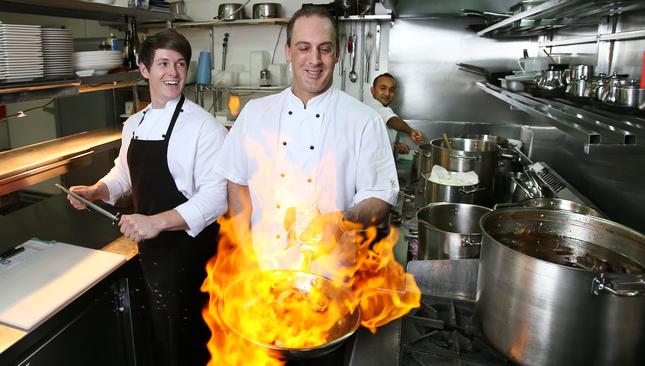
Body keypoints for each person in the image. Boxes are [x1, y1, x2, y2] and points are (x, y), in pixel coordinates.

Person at [64, 30, 227, 366]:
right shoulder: (135, 123)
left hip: (193, 257)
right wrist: (98, 190)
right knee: (164, 342)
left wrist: (156, 222)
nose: (174, 72)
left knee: (197, 345)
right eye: (164, 63)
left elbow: (216, 196)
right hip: (152, 253)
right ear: (144, 69)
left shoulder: (203, 126)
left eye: (180, 64)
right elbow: (123, 173)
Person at [215, 5, 398, 271]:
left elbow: (380, 200)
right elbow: (237, 182)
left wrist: (342, 221)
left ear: (336, 53)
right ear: (288, 51)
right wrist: (244, 252)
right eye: (303, 48)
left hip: (331, 275)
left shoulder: (364, 121)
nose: (314, 59)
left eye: (324, 48)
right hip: (264, 270)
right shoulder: (255, 113)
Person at [368, 73, 424, 154]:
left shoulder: (382, 108)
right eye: (383, 88)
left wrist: (396, 145)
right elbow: (392, 121)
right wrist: (410, 131)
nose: (387, 93)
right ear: (372, 91)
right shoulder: (373, 105)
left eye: (391, 90)